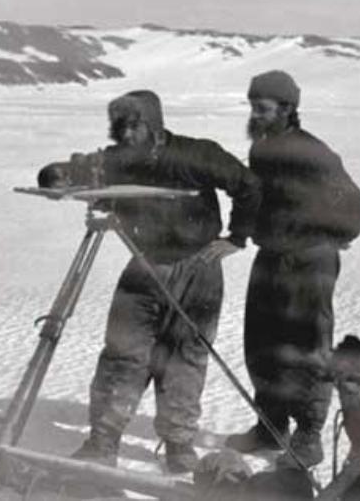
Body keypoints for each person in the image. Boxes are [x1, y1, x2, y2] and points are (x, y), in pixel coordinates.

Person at [38, 90, 261, 473]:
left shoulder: (197, 154)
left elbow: (249, 185)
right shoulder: (117, 159)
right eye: (119, 126)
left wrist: (236, 237)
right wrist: (57, 178)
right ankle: (103, 441)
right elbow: (69, 170)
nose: (124, 135)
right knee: (122, 352)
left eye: (132, 126)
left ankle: (178, 444)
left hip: (198, 268)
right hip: (144, 264)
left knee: (185, 357)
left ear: (152, 125)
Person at [225, 71, 360, 467]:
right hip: (271, 257)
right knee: (261, 342)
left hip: (309, 262)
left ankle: (309, 436)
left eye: (262, 108)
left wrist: (325, 235)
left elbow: (358, 208)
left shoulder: (313, 153)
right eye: (252, 107)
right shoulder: (262, 148)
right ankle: (270, 428)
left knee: (306, 346)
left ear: (287, 109)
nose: (254, 115)